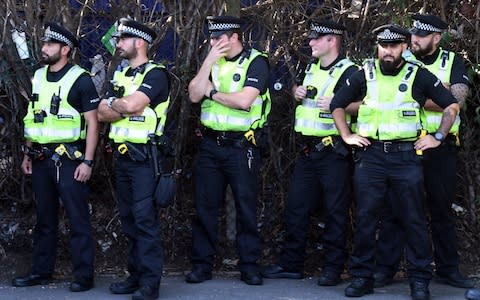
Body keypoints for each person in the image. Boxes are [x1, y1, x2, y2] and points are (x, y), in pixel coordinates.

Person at [330, 24, 460, 300]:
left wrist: (437, 136)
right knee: (366, 218)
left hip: (405, 157)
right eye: (383, 45)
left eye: (394, 46)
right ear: (378, 46)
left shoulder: (418, 75)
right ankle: (362, 277)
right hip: (371, 156)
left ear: (403, 47)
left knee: (413, 219)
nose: (388, 51)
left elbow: (451, 105)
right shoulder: (364, 73)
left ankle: (420, 281)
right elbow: (337, 105)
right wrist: (347, 135)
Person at [374, 14, 474, 289]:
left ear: (436, 38)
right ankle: (386, 269)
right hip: (406, 147)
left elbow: (457, 101)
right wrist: (438, 92)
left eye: (420, 35)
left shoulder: (452, 61)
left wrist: (423, 95)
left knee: (441, 210)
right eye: (412, 34)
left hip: (440, 148)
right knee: (395, 210)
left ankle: (448, 270)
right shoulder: (403, 60)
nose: (413, 39)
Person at [261, 19, 357, 286]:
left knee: (336, 212)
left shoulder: (351, 72)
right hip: (308, 152)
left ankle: (333, 269)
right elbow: (298, 92)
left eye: (316, 38)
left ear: (332, 41)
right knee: (296, 208)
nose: (311, 42)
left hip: (334, 152)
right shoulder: (310, 66)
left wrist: (342, 105)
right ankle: (292, 265)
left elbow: (368, 107)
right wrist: (295, 91)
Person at [13, 22, 99, 292]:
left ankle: (84, 276)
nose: (44, 48)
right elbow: (33, 118)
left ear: (65, 49)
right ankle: (41, 272)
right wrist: (28, 152)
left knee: (77, 218)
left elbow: (93, 123)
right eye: (44, 44)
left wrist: (87, 161)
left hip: (70, 159)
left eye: (50, 45)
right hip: (40, 158)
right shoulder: (38, 76)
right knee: (44, 218)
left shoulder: (80, 79)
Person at [186, 15, 271, 286]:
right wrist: (208, 62)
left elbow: (244, 100)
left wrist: (213, 94)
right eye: (211, 37)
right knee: (205, 207)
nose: (213, 42)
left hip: (242, 146)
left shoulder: (256, 61)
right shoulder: (212, 61)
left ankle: (249, 266)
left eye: (218, 38)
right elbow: (193, 94)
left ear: (234, 37)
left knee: (246, 207)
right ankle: (202, 265)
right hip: (211, 145)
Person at [97, 18, 170, 300]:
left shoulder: (156, 74)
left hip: (144, 160)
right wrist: (123, 106)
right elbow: (102, 115)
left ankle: (150, 283)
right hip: (123, 158)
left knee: (144, 220)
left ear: (139, 42)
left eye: (122, 39)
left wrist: (119, 105)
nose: (117, 44)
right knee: (128, 220)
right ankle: (135, 275)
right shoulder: (120, 74)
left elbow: (131, 105)